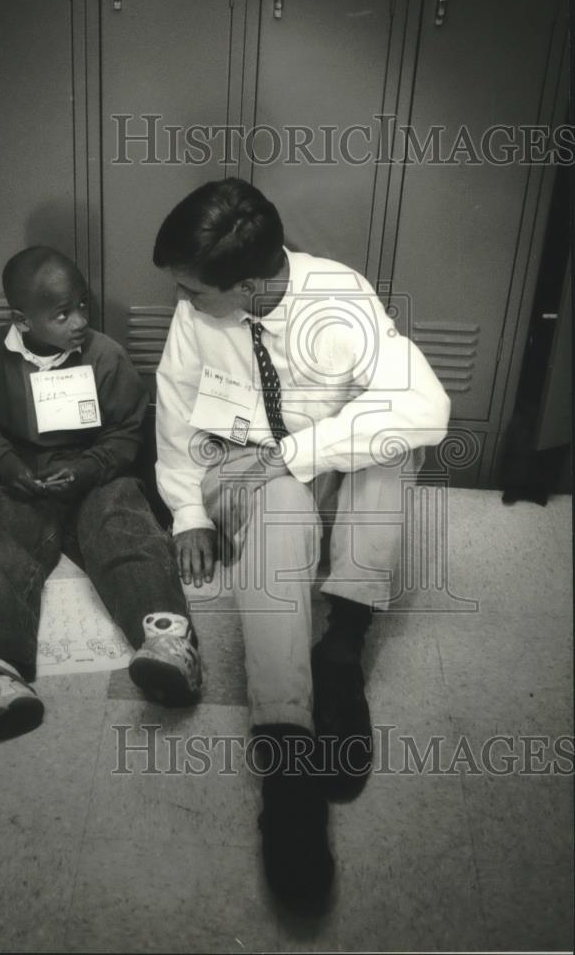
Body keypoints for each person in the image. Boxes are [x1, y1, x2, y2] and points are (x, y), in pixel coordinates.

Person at [152, 178, 450, 914]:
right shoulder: (197, 316)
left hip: (312, 462)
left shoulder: (339, 296)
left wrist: (298, 452)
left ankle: (341, 647)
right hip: (246, 479)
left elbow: (429, 406)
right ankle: (287, 753)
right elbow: (176, 403)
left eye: (194, 292)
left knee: (391, 444)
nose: (183, 304)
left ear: (249, 283)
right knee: (277, 495)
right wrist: (188, 509)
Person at [0, 246, 201, 744]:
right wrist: (9, 468)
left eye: (82, 306)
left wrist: (91, 467)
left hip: (96, 475)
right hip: (23, 480)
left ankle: (168, 643)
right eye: (60, 313)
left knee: (127, 530)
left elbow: (126, 432)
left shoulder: (104, 355)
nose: (78, 321)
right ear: (21, 320)